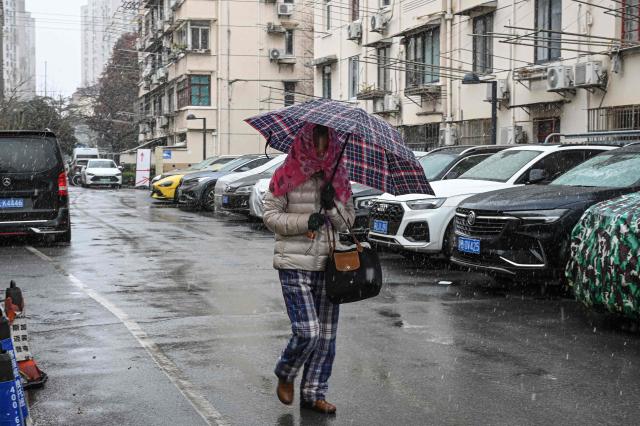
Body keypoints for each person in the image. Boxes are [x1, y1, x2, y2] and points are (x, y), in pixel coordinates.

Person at [263, 123, 355, 415]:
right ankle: (286, 371)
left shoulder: (338, 177)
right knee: (308, 332)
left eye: (326, 139)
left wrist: (331, 208)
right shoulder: (285, 175)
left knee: (326, 336)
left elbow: (348, 222)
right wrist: (306, 222)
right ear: (304, 140)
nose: (321, 145)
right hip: (294, 262)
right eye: (316, 138)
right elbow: (270, 216)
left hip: (329, 264)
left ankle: (314, 393)